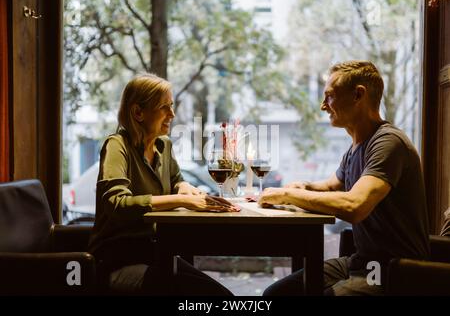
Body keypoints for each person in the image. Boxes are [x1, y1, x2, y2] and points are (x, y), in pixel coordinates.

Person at [259, 60, 430, 296]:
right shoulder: (355, 147)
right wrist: (304, 186)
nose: (323, 106)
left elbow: (354, 206)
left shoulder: (388, 143)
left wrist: (287, 194)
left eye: (329, 97)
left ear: (358, 95)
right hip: (361, 262)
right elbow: (330, 186)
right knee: (277, 295)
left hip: (392, 270)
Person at [88, 73, 238, 296]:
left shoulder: (164, 145)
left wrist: (184, 188)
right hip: (117, 260)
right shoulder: (116, 146)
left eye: (172, 106)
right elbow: (116, 203)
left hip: (155, 252)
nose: (172, 114)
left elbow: (177, 180)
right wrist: (183, 200)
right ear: (138, 113)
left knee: (222, 296)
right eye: (164, 107)